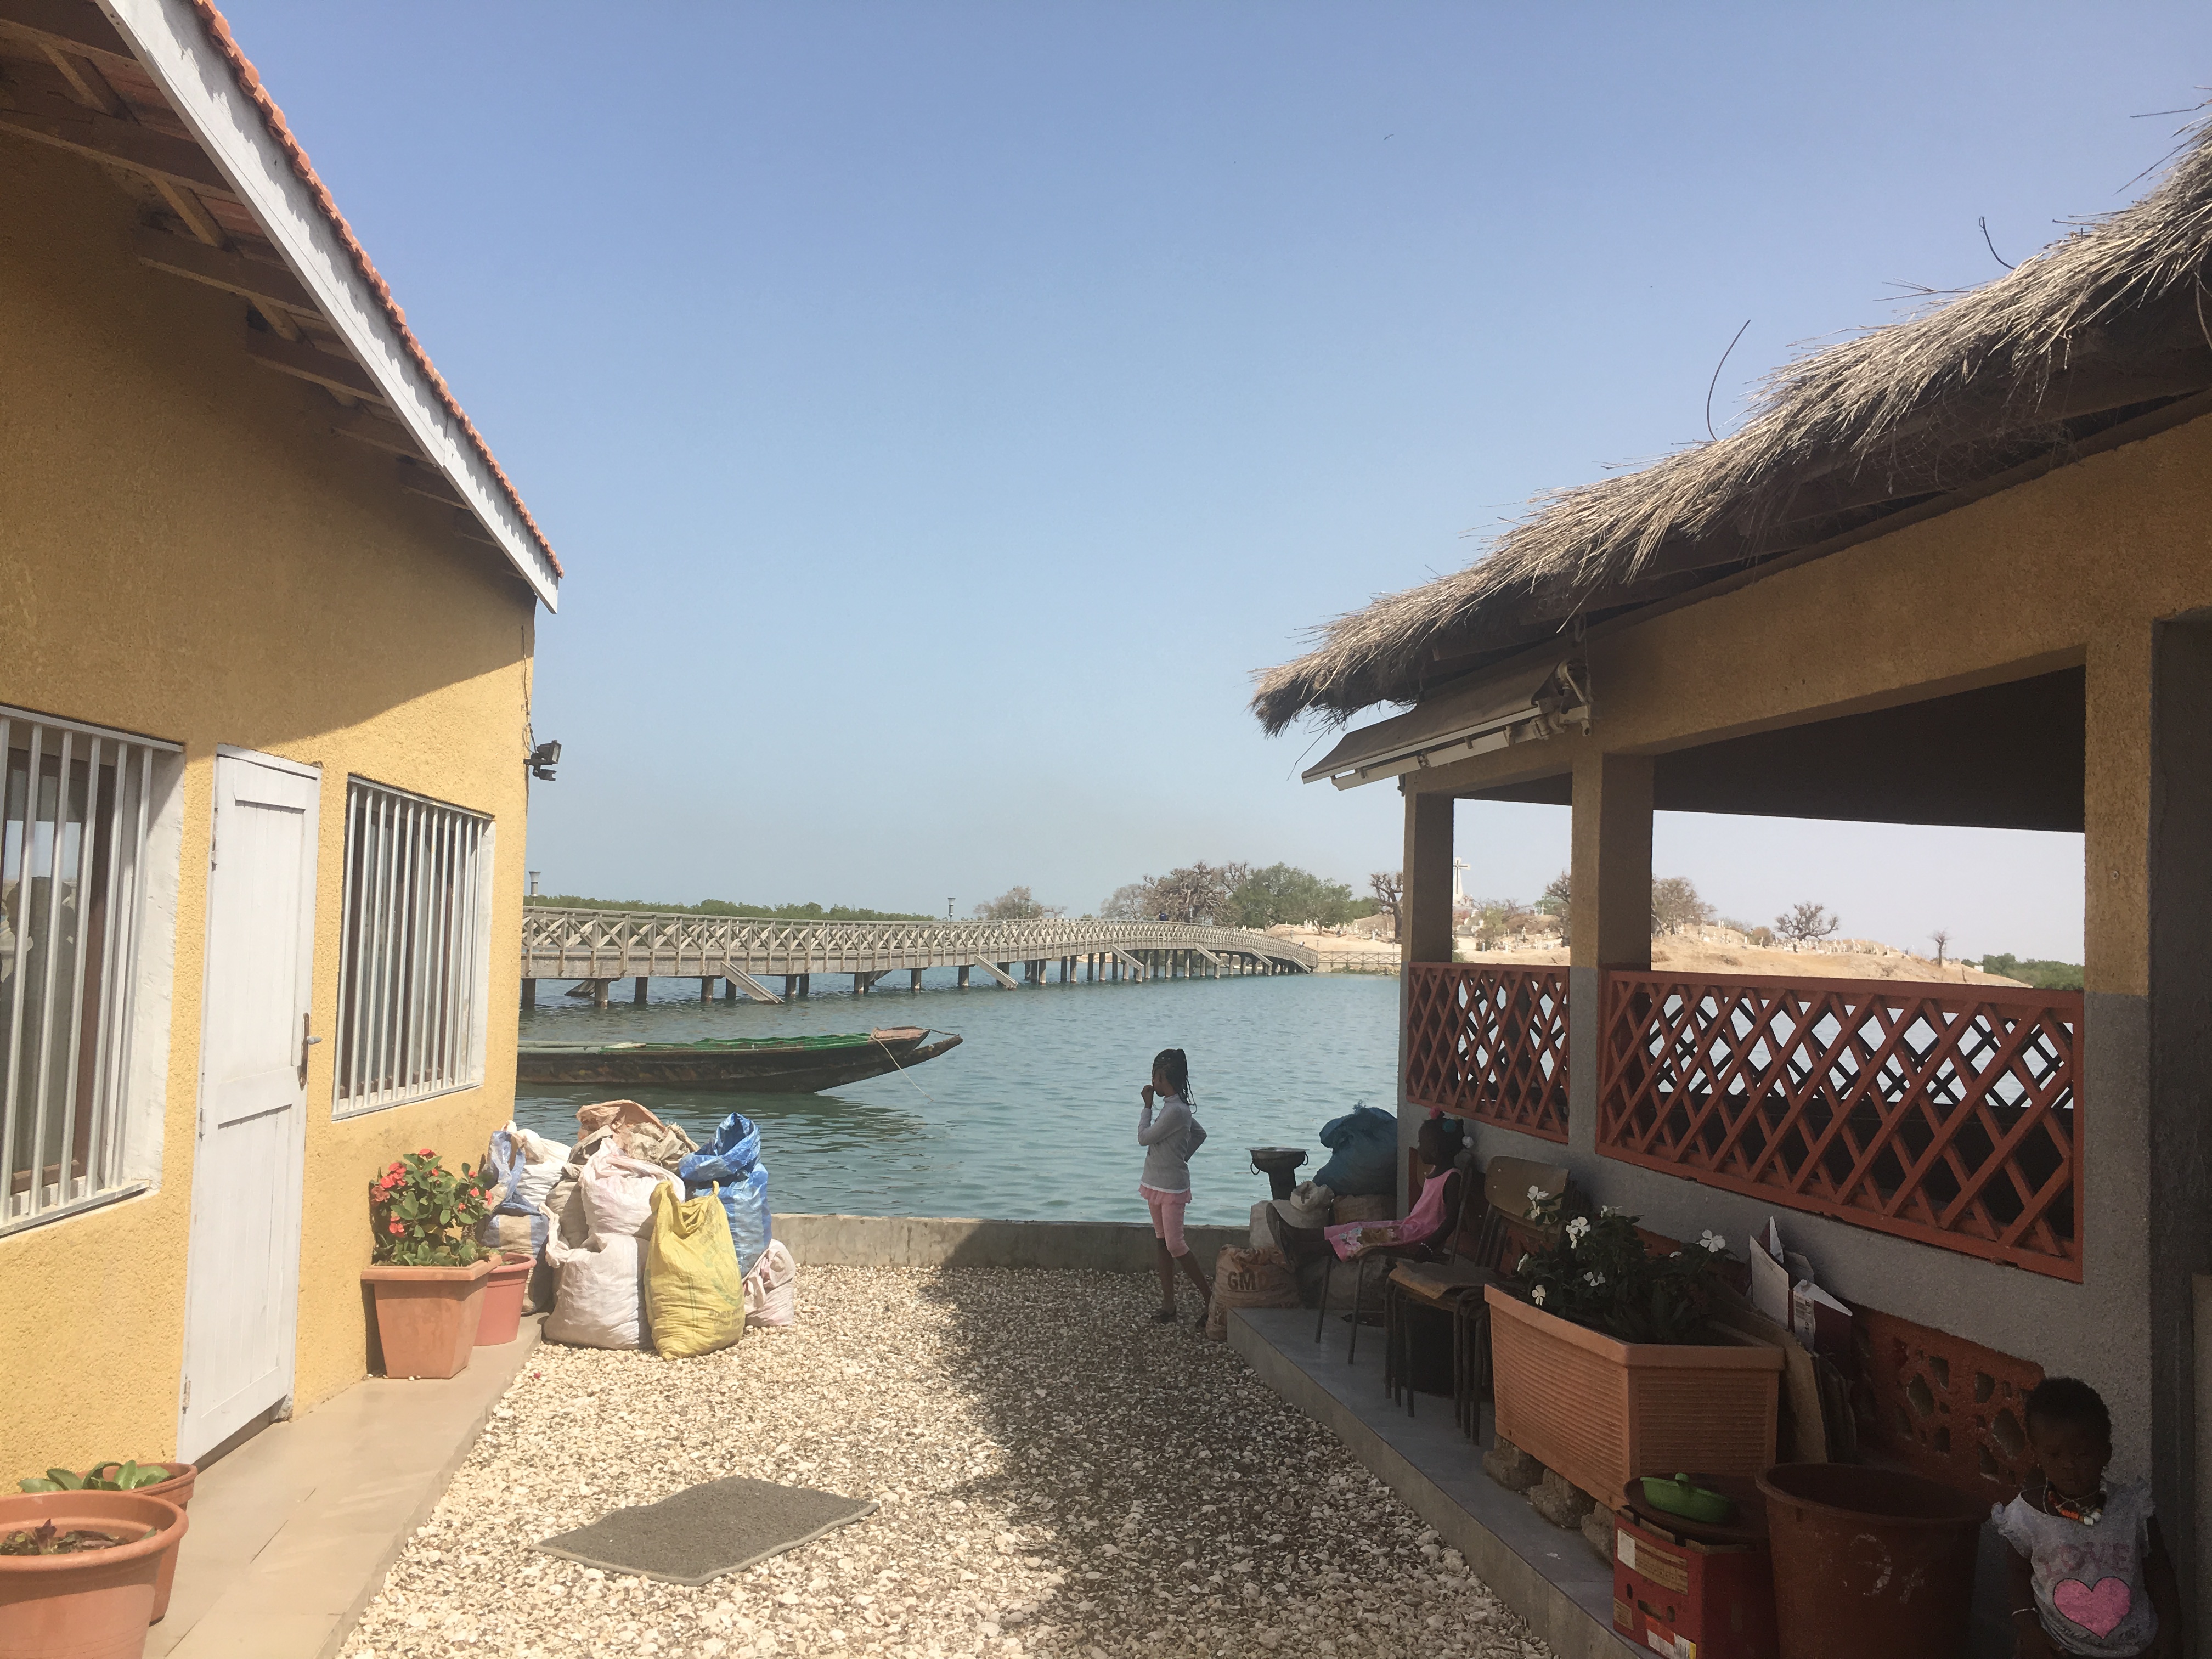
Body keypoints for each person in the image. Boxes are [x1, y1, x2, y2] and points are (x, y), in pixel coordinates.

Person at [1995, 1376, 2178, 1658]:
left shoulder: (2132, 1509)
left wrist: (2169, 1633)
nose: (2068, 1465)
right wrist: (2028, 1628)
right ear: (2037, 1454)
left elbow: (2160, 1571)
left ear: (2106, 1452)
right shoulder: (2026, 1518)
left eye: (2081, 1454)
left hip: (2135, 1647)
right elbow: (2017, 1574)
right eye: (2054, 1455)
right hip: (2060, 1649)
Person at [1137, 1047, 1210, 1324]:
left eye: (1154, 1077)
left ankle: (1211, 1299)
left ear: (1162, 1078)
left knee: (1176, 1245)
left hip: (1172, 1188)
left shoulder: (1176, 1111)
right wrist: (1181, 1153)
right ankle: (1169, 1304)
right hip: (1154, 1182)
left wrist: (1146, 1106)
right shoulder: (1173, 1109)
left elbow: (1144, 1138)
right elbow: (1199, 1133)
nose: (1152, 1083)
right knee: (1161, 1242)